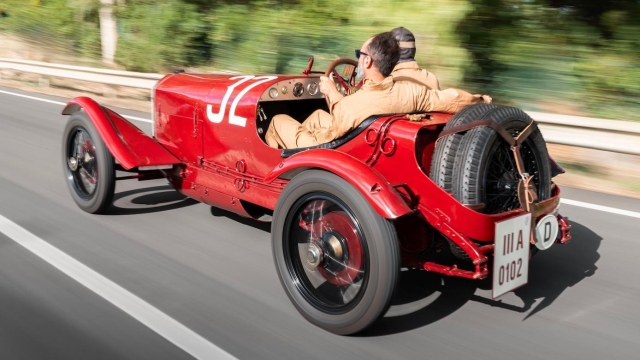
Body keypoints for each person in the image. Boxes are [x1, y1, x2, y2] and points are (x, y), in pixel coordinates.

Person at [265, 31, 491, 149]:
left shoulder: (353, 106)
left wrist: (333, 94)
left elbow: (341, 121)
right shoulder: (411, 92)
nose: (359, 59)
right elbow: (450, 99)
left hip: (331, 146)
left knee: (277, 121)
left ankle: (288, 169)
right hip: (364, 138)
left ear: (368, 62)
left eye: (359, 55)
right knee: (315, 116)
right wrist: (481, 100)